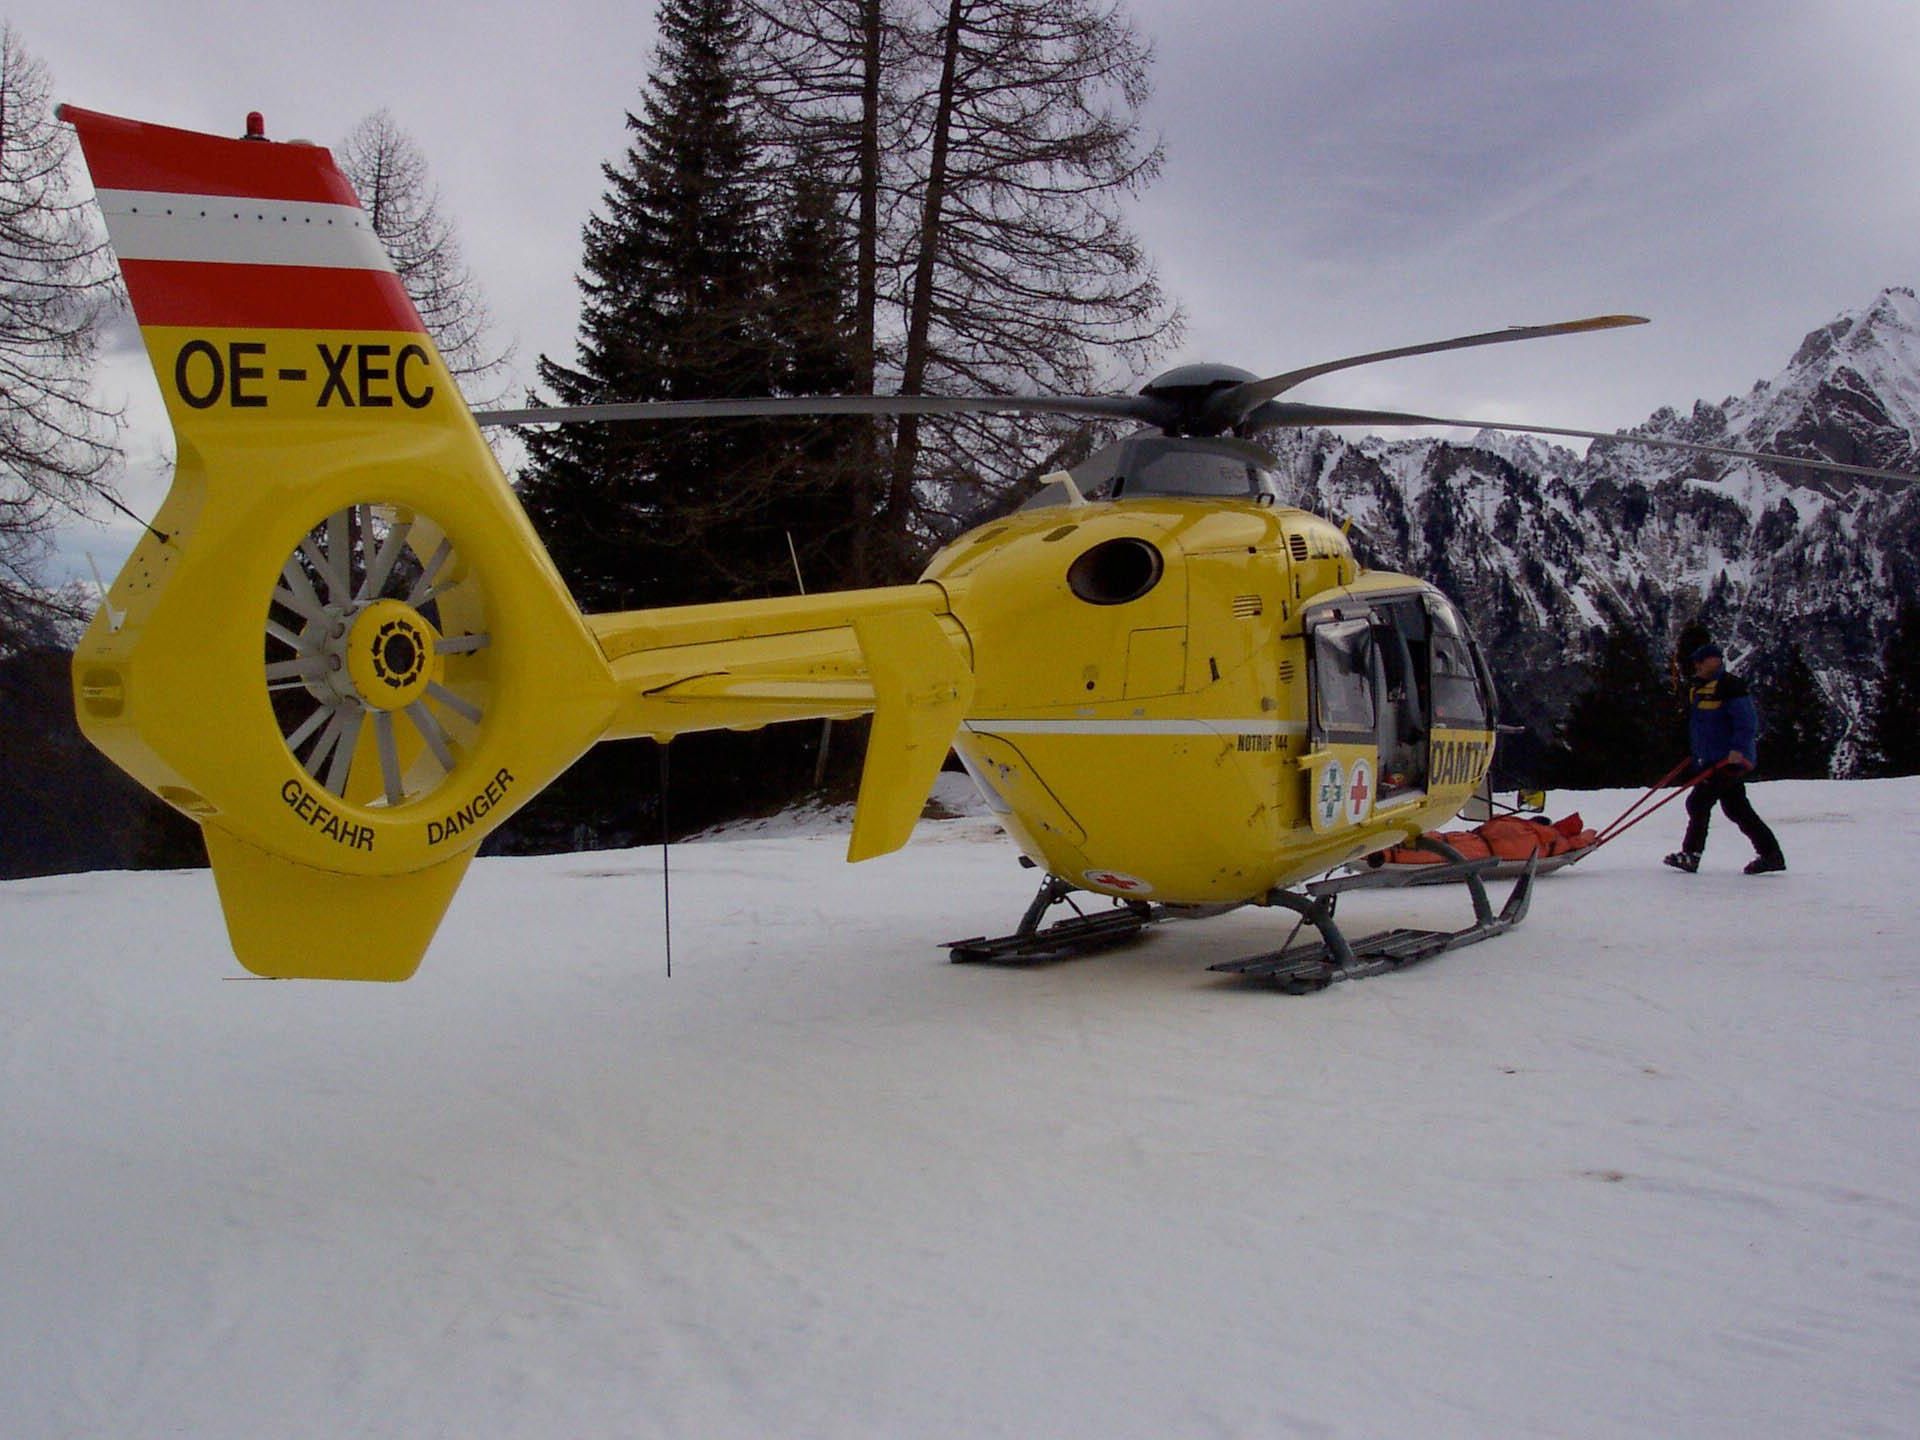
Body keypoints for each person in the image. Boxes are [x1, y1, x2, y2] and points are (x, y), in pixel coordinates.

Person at [1664, 642, 1786, 875]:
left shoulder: (1730, 686)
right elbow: (1702, 725)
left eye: (1701, 661)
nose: (1697, 666)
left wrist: (1738, 749)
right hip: (1712, 757)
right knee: (1737, 809)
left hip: (1728, 760)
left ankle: (1691, 854)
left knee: (1698, 803)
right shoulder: (1701, 687)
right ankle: (1771, 854)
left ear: (1715, 661)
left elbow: (1746, 722)